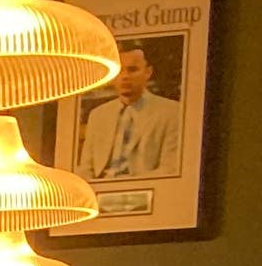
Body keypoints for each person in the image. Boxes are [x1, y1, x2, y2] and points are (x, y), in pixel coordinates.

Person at [77, 43, 184, 179]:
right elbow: (86, 168)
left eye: (132, 70)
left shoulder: (171, 112)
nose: (125, 76)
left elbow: (170, 169)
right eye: (119, 71)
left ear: (148, 72)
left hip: (145, 190)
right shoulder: (98, 115)